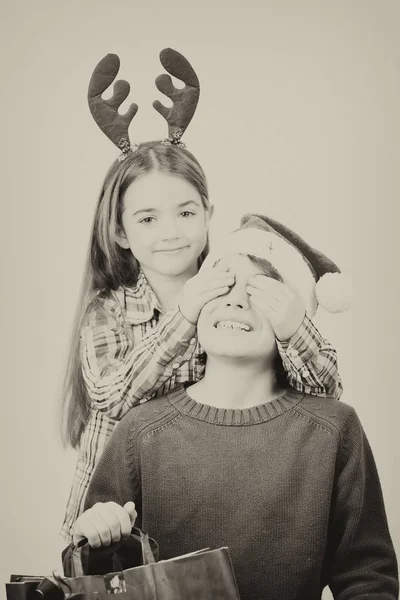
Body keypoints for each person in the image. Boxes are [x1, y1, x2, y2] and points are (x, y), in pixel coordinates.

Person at [60, 49, 345, 542]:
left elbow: (323, 398)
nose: (170, 232)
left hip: (201, 514)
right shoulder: (108, 310)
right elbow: (112, 397)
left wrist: (295, 327)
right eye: (147, 218)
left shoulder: (235, 295)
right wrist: (185, 316)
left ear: (208, 215)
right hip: (115, 527)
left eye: (186, 213)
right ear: (122, 232)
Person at [71, 216, 397, 600]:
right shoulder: (140, 430)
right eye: (222, 283)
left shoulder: (335, 429)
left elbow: (369, 579)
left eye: (260, 292)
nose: (235, 299)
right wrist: (93, 538)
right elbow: (94, 580)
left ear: (292, 318)